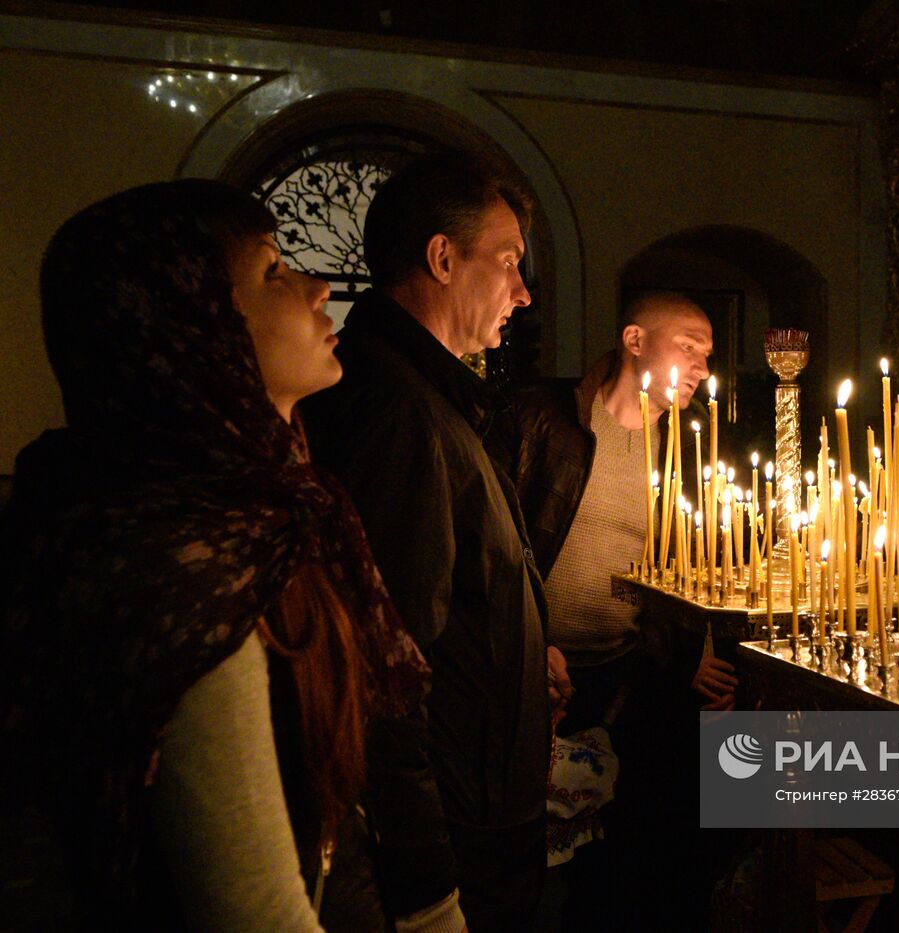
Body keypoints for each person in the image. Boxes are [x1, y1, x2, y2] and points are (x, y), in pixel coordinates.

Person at [0, 179, 462, 932]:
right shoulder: (182, 566)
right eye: (273, 272)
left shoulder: (276, 511)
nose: (317, 288)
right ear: (189, 326)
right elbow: (255, 908)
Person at [302, 152, 568, 932]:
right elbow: (389, 663)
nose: (522, 293)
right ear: (442, 258)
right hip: (457, 824)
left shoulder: (435, 394)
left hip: (479, 790)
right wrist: (425, 887)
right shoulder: (397, 408)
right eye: (510, 261)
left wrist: (522, 652)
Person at [511, 291, 739, 930]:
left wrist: (690, 653)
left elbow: (697, 567)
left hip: (627, 673)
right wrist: (527, 645)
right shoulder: (546, 419)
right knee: (538, 859)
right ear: (635, 341)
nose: (700, 366)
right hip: (539, 673)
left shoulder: (688, 454)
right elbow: (503, 543)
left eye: (708, 355)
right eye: (687, 346)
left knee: (631, 856)